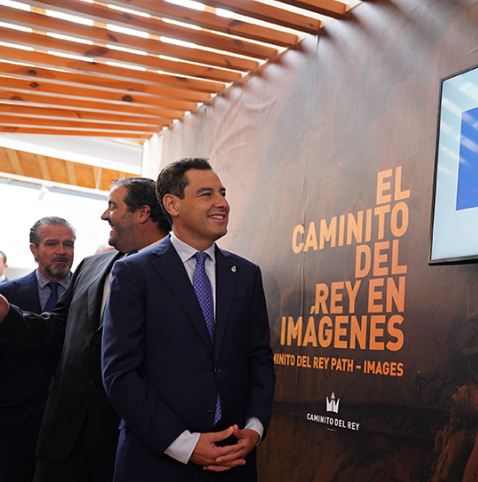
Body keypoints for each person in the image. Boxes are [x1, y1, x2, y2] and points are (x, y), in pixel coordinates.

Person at [101, 158, 275, 481]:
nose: (222, 202)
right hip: (157, 463)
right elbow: (120, 374)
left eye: (222, 193)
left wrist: (255, 428)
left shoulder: (246, 274)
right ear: (172, 204)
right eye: (207, 194)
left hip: (232, 461)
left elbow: (260, 359)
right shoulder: (134, 273)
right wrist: (185, 444)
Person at [0, 178, 170, 481]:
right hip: (63, 445)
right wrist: (6, 314)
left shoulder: (180, 271)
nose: (105, 216)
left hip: (131, 443)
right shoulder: (92, 267)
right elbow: (57, 330)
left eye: (112, 206)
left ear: (143, 213)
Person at [0, 217, 75, 482]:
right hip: (15, 420)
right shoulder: (6, 296)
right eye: (51, 243)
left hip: (71, 424)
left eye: (68, 244)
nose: (62, 251)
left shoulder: (90, 294)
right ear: (34, 250)